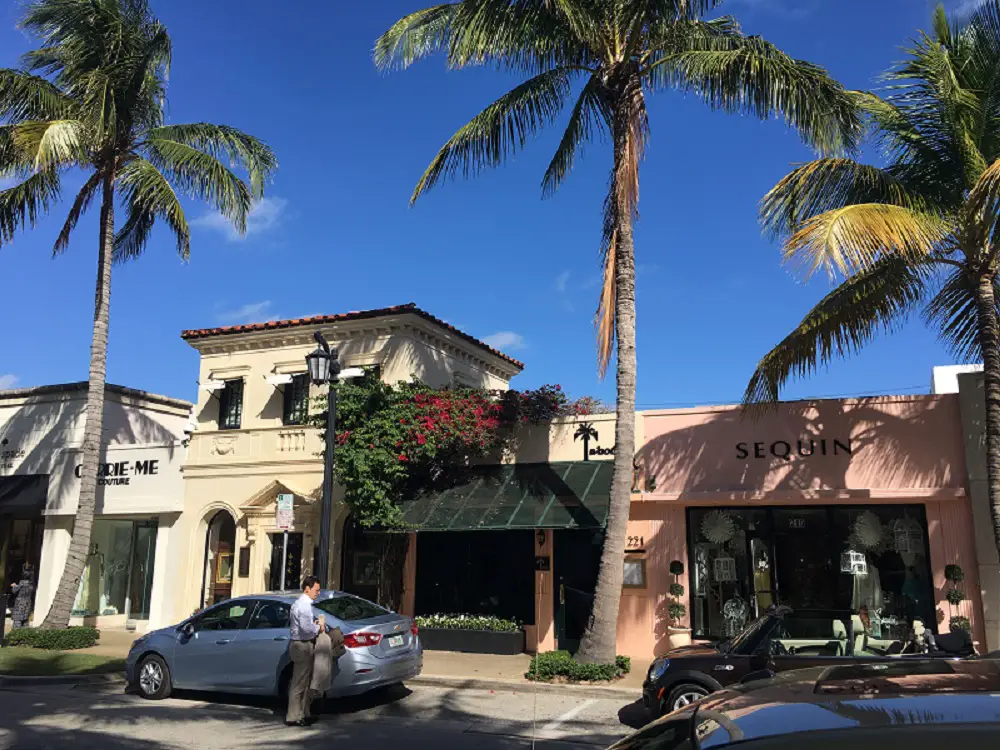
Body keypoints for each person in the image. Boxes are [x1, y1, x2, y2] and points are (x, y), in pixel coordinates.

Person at [286, 575, 324, 727]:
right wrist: (319, 627)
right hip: (302, 645)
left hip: (300, 643)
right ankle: (294, 716)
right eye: (316, 590)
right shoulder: (304, 605)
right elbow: (306, 629)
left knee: (303, 681)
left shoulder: (299, 603)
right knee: (300, 683)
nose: (318, 593)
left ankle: (303, 714)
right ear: (307, 589)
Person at [10, 563, 35, 629]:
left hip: (20, 603)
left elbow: (14, 591)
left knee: (17, 620)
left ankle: (16, 634)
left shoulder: (22, 582)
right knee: (25, 619)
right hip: (28, 602)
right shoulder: (31, 584)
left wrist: (14, 586)